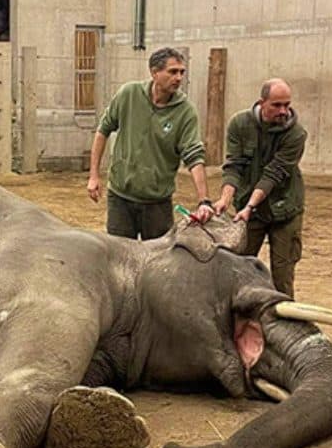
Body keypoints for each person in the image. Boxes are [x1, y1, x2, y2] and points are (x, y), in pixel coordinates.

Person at [87, 47, 213, 240]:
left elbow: (194, 157)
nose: (179, 78)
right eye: (173, 72)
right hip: (120, 198)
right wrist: (94, 176)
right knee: (120, 253)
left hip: (157, 204)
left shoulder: (186, 112)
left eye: (182, 72)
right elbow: (103, 130)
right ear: (154, 72)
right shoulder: (129, 94)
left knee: (159, 256)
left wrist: (204, 200)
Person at [212, 79, 307, 298]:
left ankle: (282, 317)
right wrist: (225, 199)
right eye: (276, 105)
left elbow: (273, 174)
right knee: (239, 269)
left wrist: (249, 206)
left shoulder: (296, 134)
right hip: (250, 211)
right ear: (262, 102)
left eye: (287, 105)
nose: (283, 111)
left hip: (284, 209)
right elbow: (234, 165)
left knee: (282, 277)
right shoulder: (240, 124)